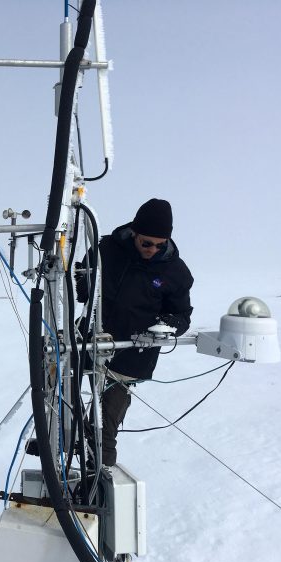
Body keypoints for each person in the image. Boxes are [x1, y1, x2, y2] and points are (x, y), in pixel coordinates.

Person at [75, 198, 194, 467]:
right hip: (88, 338)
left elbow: (183, 317)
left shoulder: (176, 271)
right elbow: (81, 278)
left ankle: (99, 479)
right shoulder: (106, 248)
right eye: (146, 243)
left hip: (132, 354)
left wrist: (167, 324)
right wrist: (84, 286)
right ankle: (62, 451)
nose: (152, 249)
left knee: (103, 428)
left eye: (159, 245)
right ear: (134, 232)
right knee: (62, 400)